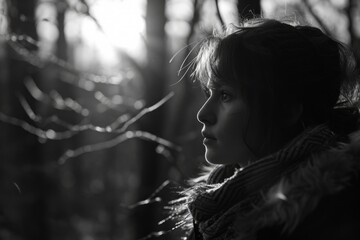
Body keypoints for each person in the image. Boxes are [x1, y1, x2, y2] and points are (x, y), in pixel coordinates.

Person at [172, 18, 360, 240]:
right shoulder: (213, 211)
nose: (203, 114)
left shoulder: (328, 219)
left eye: (225, 95)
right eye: (210, 92)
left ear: (287, 111)